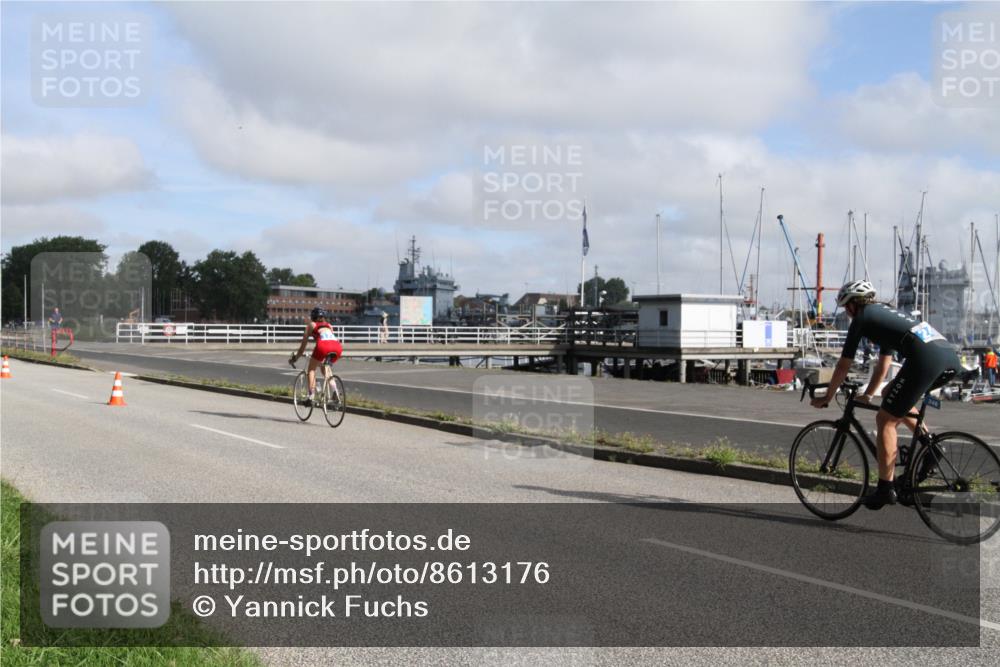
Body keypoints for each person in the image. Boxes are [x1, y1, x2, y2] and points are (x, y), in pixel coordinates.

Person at [811, 280, 964, 509]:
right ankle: (930, 447)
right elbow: (883, 366)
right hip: (949, 359)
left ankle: (885, 488)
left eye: (846, 308)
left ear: (852, 305)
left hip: (926, 360)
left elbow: (843, 364)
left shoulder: (863, 318)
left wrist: (827, 396)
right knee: (891, 392)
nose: (847, 313)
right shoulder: (884, 316)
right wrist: (869, 395)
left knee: (885, 420)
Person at [289, 308, 343, 405]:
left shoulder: (311, 325)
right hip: (337, 347)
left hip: (323, 347)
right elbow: (329, 339)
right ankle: (335, 392)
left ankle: (311, 396)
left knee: (311, 369)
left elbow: (302, 349)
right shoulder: (329, 326)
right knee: (325, 369)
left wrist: (295, 359)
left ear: (313, 317)